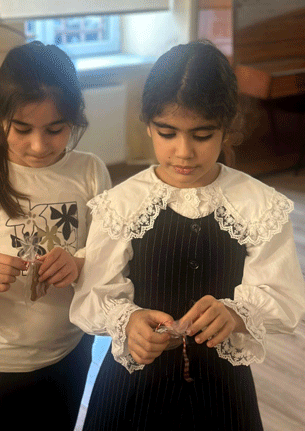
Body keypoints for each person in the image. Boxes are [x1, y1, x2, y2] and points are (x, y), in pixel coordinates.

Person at [70, 40, 305, 431]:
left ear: (226, 129)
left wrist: (236, 313)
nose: (183, 152)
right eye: (167, 133)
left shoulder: (259, 205)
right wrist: (128, 321)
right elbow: (92, 295)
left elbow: (285, 298)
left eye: (202, 135)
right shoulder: (121, 204)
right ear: (148, 124)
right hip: (131, 389)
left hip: (222, 391)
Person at [0, 41, 111, 430]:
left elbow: (110, 258)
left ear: (74, 120)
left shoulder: (90, 172)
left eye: (55, 130)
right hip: (0, 364)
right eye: (22, 128)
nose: (38, 145)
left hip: (71, 351)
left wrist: (79, 262)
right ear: (0, 118)